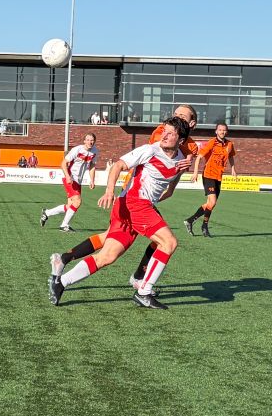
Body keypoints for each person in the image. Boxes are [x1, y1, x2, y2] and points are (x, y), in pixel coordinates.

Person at [48, 116, 189, 310]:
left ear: (181, 140)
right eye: (164, 130)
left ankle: (61, 282)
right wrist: (109, 191)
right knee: (169, 242)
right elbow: (118, 166)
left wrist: (159, 195)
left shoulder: (181, 161)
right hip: (133, 203)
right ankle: (143, 290)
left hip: (138, 206)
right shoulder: (149, 150)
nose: (164, 135)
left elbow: (169, 191)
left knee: (107, 256)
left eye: (170, 133)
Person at [130, 105, 198, 286]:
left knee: (159, 242)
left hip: (147, 200)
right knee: (166, 242)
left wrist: (188, 165)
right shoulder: (162, 133)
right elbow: (158, 156)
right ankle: (142, 285)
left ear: (192, 123)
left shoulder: (190, 145)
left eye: (182, 116)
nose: (176, 117)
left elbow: (180, 167)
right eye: (175, 114)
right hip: (136, 196)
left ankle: (139, 278)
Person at [39, 132, 98, 231]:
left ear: (94, 141)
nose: (90, 142)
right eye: (87, 140)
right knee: (78, 201)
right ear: (84, 141)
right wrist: (67, 176)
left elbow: (92, 165)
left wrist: (92, 180)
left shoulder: (95, 151)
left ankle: (47, 213)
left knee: (70, 205)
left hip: (78, 181)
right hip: (71, 178)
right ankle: (64, 225)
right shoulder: (77, 150)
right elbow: (63, 163)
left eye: (92, 140)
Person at [185, 122, 236, 235]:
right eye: (220, 130)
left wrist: (233, 169)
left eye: (224, 130)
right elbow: (198, 157)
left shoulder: (229, 144)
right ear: (216, 131)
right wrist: (195, 173)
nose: (222, 132)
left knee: (210, 204)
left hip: (218, 177)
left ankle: (190, 220)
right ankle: (204, 226)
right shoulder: (212, 142)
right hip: (208, 175)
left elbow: (231, 156)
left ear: (226, 131)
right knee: (212, 202)